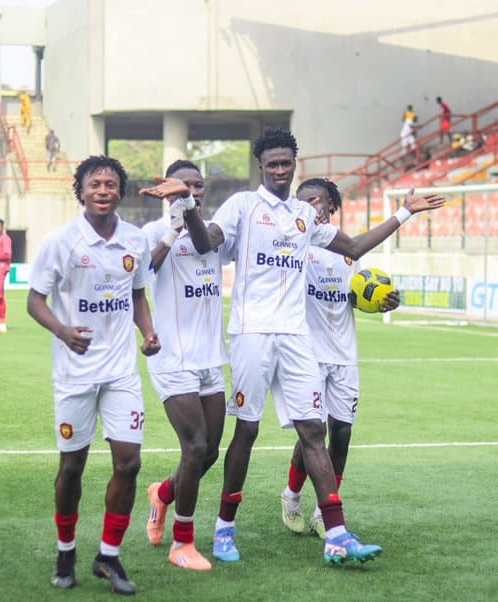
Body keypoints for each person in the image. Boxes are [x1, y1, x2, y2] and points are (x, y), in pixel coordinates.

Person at [145, 126, 444, 566]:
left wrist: (404, 212)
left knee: (313, 430)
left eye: (286, 162)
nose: (280, 170)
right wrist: (187, 204)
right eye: (273, 164)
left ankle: (337, 534)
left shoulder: (305, 215)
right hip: (251, 333)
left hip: (296, 337)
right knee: (247, 431)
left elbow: (354, 246)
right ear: (261, 166)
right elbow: (207, 241)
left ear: (293, 164)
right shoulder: (243, 205)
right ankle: (224, 528)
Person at [27, 155, 161, 595]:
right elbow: (35, 301)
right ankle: (65, 550)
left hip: (121, 371)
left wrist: (148, 332)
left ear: (120, 191)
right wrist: (63, 331)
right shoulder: (62, 241)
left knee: (129, 463)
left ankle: (108, 555)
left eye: (110, 184)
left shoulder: (135, 240)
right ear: (81, 191)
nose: (103, 190)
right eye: (94, 184)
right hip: (75, 374)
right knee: (72, 468)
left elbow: (137, 295)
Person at [279, 178, 400, 540]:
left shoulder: (349, 252)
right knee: (312, 433)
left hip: (345, 355)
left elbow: (356, 295)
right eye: (301, 201)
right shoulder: (297, 246)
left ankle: (322, 512)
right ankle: (292, 495)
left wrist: (382, 301)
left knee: (342, 434)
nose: (308, 206)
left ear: (331, 205)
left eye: (315, 200)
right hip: (308, 355)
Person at [140, 161, 232, 571]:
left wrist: (187, 211)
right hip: (173, 357)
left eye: (198, 186)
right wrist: (171, 231)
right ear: (166, 190)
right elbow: (143, 272)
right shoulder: (149, 232)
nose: (192, 191)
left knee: (208, 452)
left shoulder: (214, 230)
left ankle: (161, 494)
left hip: (211, 358)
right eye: (183, 186)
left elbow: (205, 245)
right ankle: (183, 542)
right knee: (193, 447)